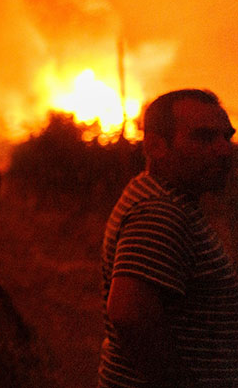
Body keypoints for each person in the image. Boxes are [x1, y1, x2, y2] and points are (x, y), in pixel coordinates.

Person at [99, 89, 238, 387]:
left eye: (226, 136)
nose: (224, 149)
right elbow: (129, 313)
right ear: (156, 146)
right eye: (204, 138)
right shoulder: (160, 211)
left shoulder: (154, 193)